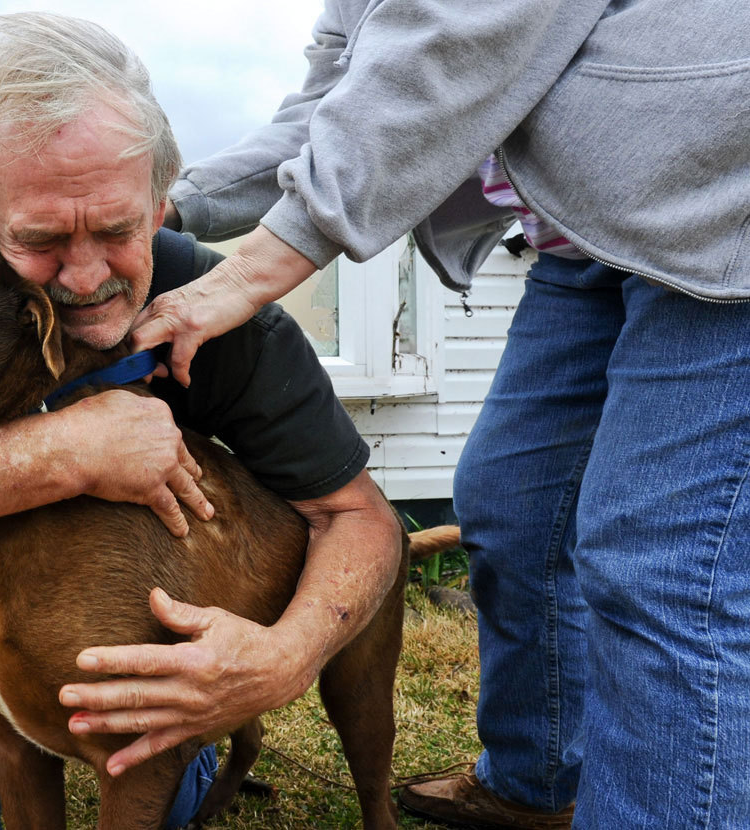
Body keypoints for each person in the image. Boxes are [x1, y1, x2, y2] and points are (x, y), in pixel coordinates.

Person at [0, 12, 404, 829]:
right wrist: (69, 448)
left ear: (159, 203)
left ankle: (185, 740)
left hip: (161, 592)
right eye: (39, 238)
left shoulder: (225, 313)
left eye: (115, 229)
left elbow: (359, 517)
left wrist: (283, 659)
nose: (87, 273)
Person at [131, 1, 750, 827]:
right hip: (591, 240)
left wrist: (246, 274)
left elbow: (462, 40)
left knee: (663, 560)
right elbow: (332, 110)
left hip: (717, 207)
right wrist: (162, 207)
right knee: (514, 503)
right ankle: (533, 784)